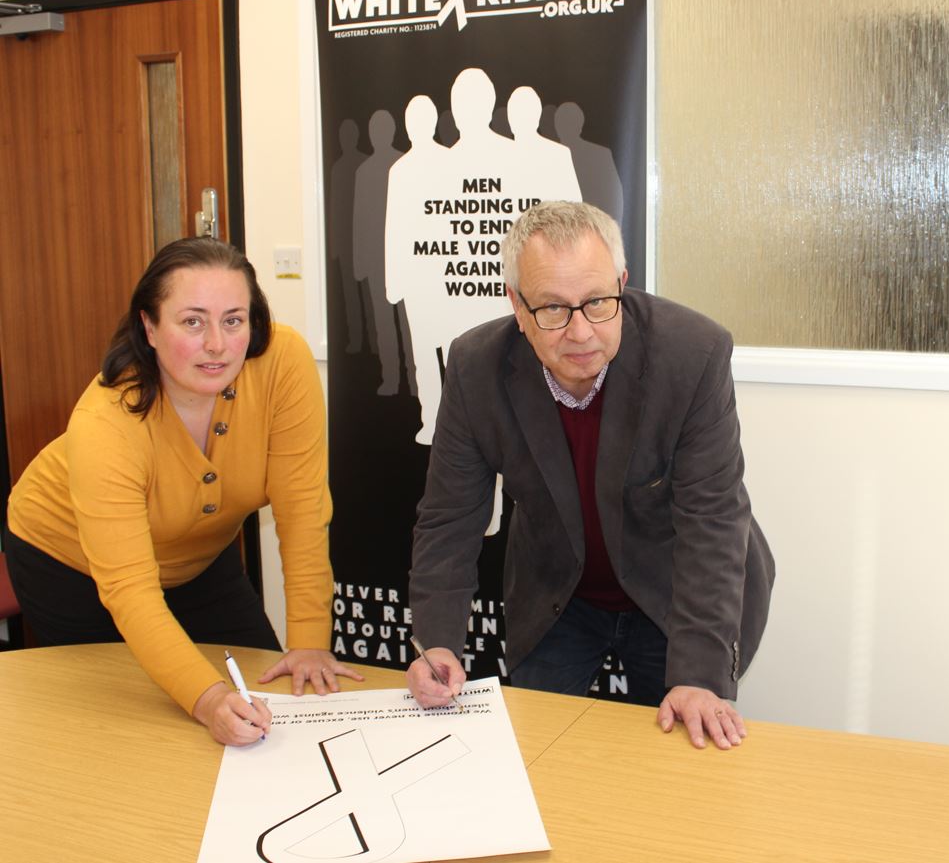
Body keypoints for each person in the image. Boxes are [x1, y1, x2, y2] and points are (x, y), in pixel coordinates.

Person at [406, 201, 775, 749]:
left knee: (679, 759)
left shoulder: (693, 354)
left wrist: (699, 675)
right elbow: (450, 518)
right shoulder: (475, 366)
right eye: (552, 308)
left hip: (676, 592)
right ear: (517, 304)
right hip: (559, 588)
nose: (580, 332)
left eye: (599, 303)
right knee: (542, 754)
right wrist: (436, 643)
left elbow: (713, 518)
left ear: (622, 283)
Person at [5, 237, 361, 745]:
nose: (216, 343)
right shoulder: (106, 422)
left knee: (272, 701)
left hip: (200, 557)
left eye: (234, 320)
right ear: (148, 327)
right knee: (132, 736)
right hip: (72, 567)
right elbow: (129, 592)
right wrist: (208, 700)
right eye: (192, 321)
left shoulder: (283, 362)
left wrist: (307, 644)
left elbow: (303, 512)